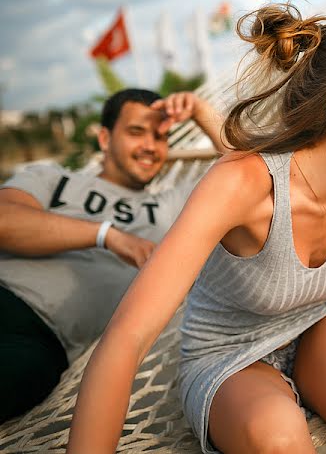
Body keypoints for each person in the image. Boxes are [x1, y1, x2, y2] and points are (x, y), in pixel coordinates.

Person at [67, 5, 326, 454]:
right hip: (230, 352)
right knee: (279, 437)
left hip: (322, 318)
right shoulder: (243, 186)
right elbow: (126, 339)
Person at [0, 88, 226, 423]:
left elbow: (249, 168)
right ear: (105, 139)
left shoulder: (170, 208)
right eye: (137, 132)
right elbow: (5, 221)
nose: (151, 146)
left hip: (44, 343)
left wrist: (201, 111)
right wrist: (106, 235)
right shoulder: (53, 179)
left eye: (161, 136)